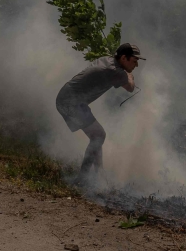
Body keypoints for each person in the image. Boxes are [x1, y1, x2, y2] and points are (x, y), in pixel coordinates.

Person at [56, 42, 144, 177]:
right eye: (134, 60)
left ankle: (99, 175)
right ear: (123, 58)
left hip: (70, 98)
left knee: (97, 136)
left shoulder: (107, 59)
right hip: (70, 101)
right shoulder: (116, 71)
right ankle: (83, 178)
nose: (136, 65)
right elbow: (130, 88)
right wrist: (130, 77)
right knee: (98, 135)